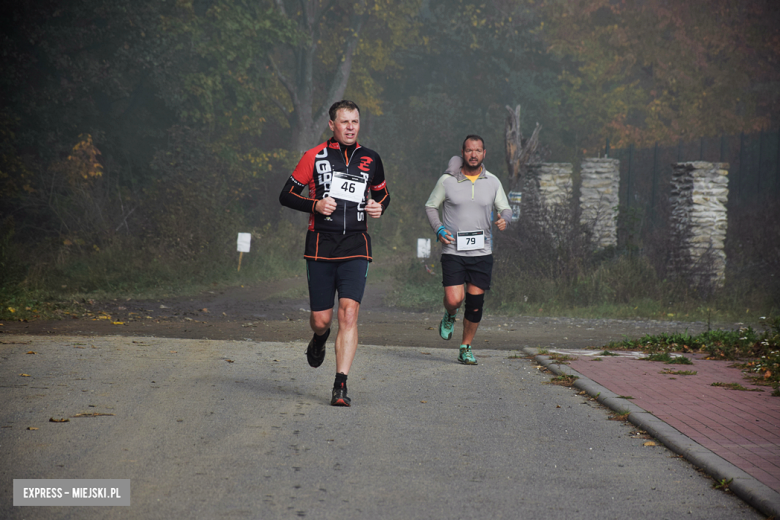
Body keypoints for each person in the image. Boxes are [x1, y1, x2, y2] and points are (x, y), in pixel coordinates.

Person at [279, 100, 390, 406]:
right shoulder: (313, 156)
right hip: (320, 245)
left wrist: (378, 206)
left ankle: (340, 384)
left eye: (355, 121)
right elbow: (286, 195)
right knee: (321, 319)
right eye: (344, 122)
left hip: (356, 245)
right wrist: (314, 205)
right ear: (332, 125)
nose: (351, 127)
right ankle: (319, 338)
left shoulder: (371, 158)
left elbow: (382, 194)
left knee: (350, 313)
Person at [424, 135, 512, 365]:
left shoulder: (493, 181)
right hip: (453, 250)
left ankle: (465, 347)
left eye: (478, 150)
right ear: (462, 153)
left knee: (475, 305)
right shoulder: (448, 180)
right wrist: (439, 228)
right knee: (454, 299)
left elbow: (505, 208)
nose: (473, 154)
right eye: (469, 150)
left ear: (485, 153)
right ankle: (450, 314)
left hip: (481, 253)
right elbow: (431, 206)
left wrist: (505, 219)